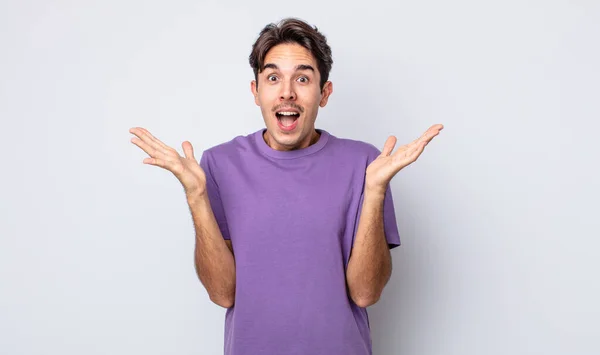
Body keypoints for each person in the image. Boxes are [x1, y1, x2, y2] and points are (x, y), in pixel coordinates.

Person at [129, 17, 443, 355]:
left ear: (324, 93)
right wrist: (196, 197)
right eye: (273, 77)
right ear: (256, 91)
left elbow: (365, 294)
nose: (287, 92)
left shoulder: (366, 164)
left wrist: (376, 190)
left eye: (303, 78)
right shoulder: (219, 164)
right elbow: (222, 293)